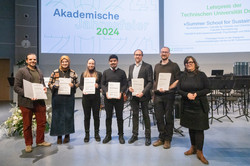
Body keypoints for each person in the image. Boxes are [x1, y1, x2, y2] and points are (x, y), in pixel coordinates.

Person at [14, 53, 51, 153]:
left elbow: (41, 84)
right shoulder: (21, 71)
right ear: (26, 61)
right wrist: (28, 94)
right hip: (26, 102)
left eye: (34, 59)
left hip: (39, 101)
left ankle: (40, 141)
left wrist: (43, 88)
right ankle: (28, 144)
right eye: (30, 59)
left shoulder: (39, 71)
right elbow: (16, 87)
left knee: (42, 122)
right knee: (27, 124)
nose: (33, 61)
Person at [177, 56, 210, 165]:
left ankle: (200, 152)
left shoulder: (201, 75)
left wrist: (196, 94)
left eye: (191, 62)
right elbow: (179, 90)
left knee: (199, 129)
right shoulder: (182, 76)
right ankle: (193, 148)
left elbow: (208, 89)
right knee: (191, 127)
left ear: (195, 63)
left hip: (199, 105)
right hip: (187, 105)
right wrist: (187, 94)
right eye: (186, 62)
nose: (188, 64)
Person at [153, 46, 180, 149]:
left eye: (166, 52)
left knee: (168, 117)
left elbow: (178, 80)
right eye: (162, 52)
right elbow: (155, 80)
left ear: (169, 54)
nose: (163, 53)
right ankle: (161, 137)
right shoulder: (157, 66)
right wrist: (155, 90)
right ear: (160, 53)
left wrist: (168, 87)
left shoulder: (174, 66)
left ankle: (168, 139)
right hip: (158, 95)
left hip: (169, 95)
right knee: (159, 117)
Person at [48, 55, 78, 144]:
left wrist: (73, 86)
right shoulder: (55, 72)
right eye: (63, 62)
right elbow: (49, 83)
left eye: (66, 62)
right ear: (60, 63)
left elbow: (77, 84)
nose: (65, 63)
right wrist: (53, 86)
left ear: (69, 63)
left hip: (69, 98)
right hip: (57, 98)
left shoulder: (73, 73)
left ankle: (67, 135)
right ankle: (59, 136)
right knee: (58, 116)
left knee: (68, 116)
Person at [127, 49, 153, 146]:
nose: (137, 56)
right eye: (136, 55)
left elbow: (150, 81)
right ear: (134, 56)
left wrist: (143, 92)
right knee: (135, 115)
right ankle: (135, 135)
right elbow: (129, 80)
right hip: (133, 96)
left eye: (139, 55)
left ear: (142, 56)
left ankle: (148, 136)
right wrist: (129, 86)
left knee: (146, 115)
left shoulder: (148, 66)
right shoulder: (131, 67)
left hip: (144, 95)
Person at [101, 54, 127, 144]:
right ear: (109, 62)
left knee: (120, 117)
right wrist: (106, 92)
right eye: (111, 61)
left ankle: (121, 135)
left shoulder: (122, 72)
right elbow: (102, 84)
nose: (113, 62)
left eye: (114, 61)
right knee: (108, 117)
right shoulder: (105, 72)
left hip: (119, 98)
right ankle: (108, 135)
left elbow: (125, 84)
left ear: (117, 62)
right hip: (108, 99)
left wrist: (121, 92)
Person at [79, 58, 102, 142]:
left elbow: (102, 85)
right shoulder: (83, 74)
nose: (91, 65)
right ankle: (87, 134)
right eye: (89, 63)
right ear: (87, 64)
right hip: (86, 99)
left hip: (96, 98)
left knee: (96, 117)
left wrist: (98, 86)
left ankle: (96, 134)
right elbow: (80, 85)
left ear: (94, 64)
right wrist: (83, 89)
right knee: (87, 117)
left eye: (92, 63)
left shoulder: (99, 74)